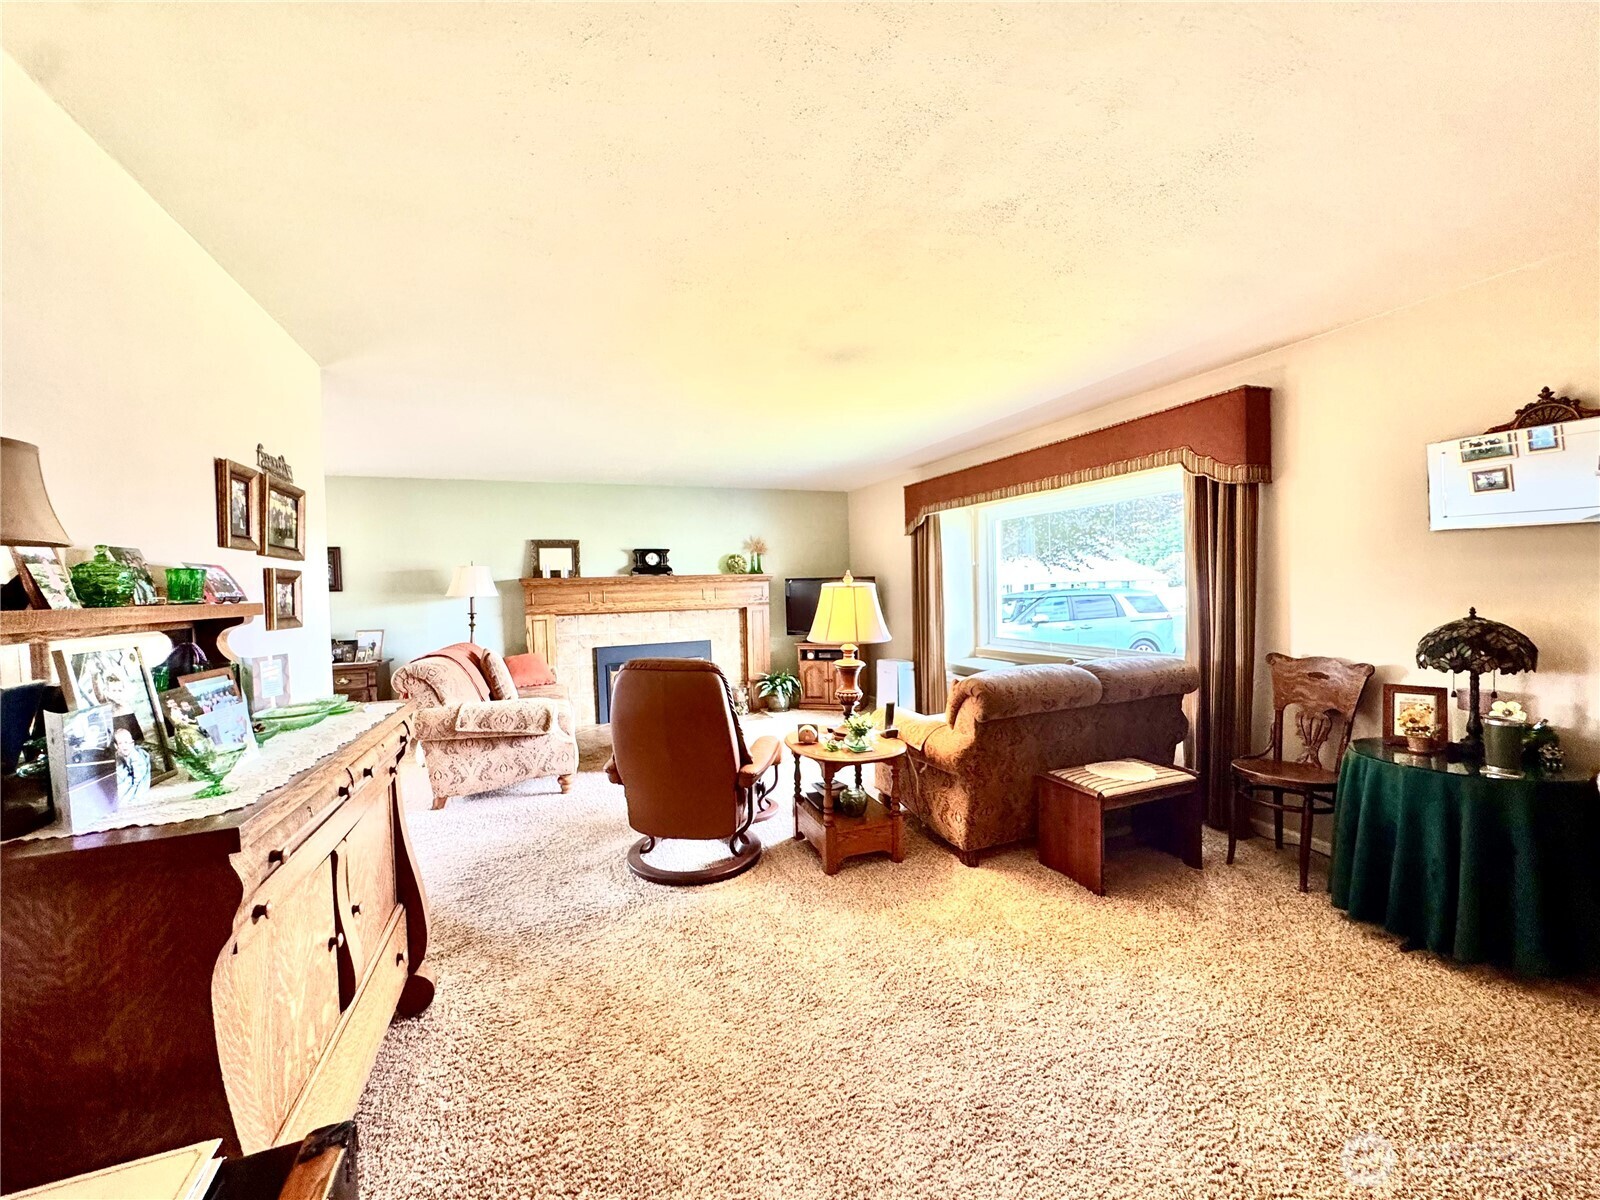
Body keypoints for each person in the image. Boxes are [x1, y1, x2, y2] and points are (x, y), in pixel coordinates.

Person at [112, 727, 151, 804]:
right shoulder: (118, 754)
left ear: (132, 743)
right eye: (120, 743)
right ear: (116, 746)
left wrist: (134, 786)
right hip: (128, 773)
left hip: (139, 775)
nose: (124, 746)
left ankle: (130, 797)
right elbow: (119, 770)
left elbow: (139, 775)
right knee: (119, 787)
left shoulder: (136, 756)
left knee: (135, 789)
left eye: (126, 742)